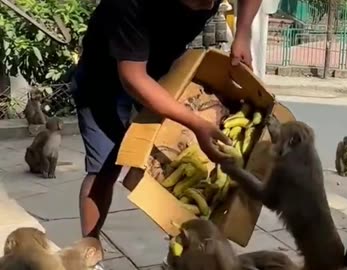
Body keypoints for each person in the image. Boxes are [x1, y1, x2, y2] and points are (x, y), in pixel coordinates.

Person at [71, 0, 261, 259]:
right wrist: (194, 123)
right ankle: (89, 249)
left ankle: (188, 247)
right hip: (106, 74)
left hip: (161, 62)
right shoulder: (129, 5)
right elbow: (133, 78)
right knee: (105, 164)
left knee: (179, 151)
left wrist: (243, 32)